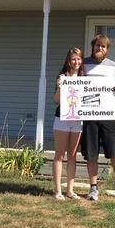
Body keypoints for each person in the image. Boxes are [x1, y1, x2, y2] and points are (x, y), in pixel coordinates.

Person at [81, 33, 115, 200]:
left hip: (109, 115)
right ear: (92, 47)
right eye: (97, 45)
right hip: (89, 116)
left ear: (107, 49)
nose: (99, 48)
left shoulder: (114, 66)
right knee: (91, 152)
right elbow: (74, 82)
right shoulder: (83, 64)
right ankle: (93, 187)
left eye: (103, 46)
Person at [52, 47, 84, 200]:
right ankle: (58, 190)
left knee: (72, 155)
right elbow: (56, 101)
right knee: (60, 155)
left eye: (78, 59)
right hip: (62, 120)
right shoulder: (62, 77)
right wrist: (59, 88)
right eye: (73, 59)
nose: (76, 62)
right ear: (68, 61)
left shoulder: (85, 78)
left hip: (78, 121)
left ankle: (70, 190)